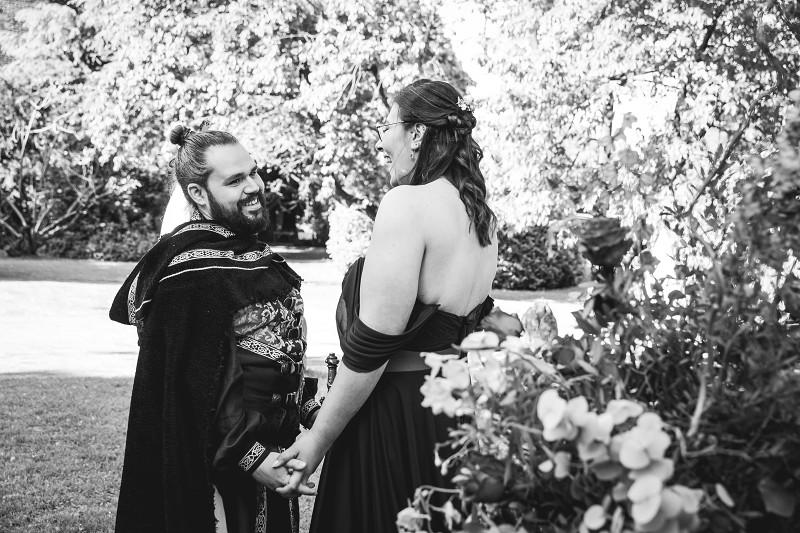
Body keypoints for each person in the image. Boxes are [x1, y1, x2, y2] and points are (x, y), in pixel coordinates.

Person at [274, 79, 499, 532]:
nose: (380, 141)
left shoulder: (406, 204)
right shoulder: (482, 217)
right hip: (450, 410)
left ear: (416, 133)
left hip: (391, 413)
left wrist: (316, 441)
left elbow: (371, 350)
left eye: (386, 126)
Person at [109, 123, 320, 533]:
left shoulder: (252, 255)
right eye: (235, 180)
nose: (253, 186)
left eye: (253, 172)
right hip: (218, 476)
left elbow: (276, 354)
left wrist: (310, 406)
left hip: (277, 455)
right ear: (198, 193)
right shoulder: (190, 274)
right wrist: (251, 457)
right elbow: (192, 390)